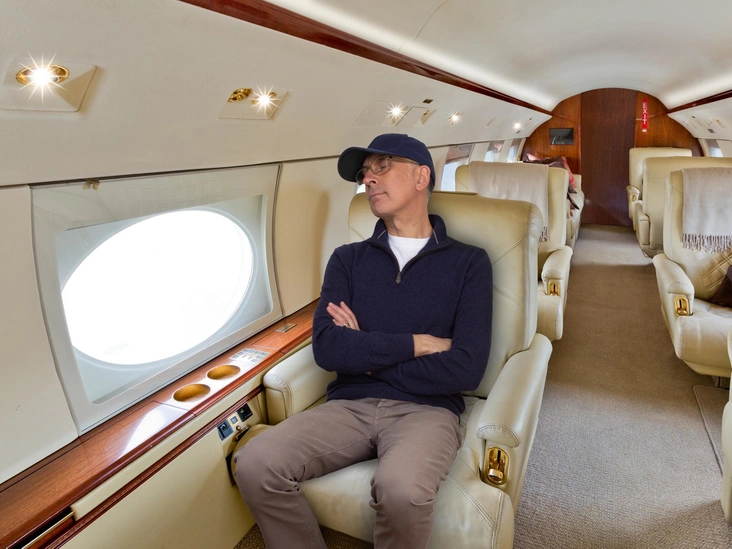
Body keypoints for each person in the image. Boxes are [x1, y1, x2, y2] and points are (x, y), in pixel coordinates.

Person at [234, 133, 493, 549]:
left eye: (382, 166)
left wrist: (365, 351)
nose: (369, 179)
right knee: (254, 462)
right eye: (364, 173)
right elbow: (328, 349)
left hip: (427, 411)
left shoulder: (469, 263)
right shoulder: (347, 259)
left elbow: (466, 368)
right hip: (349, 405)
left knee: (401, 491)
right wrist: (419, 343)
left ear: (422, 177)